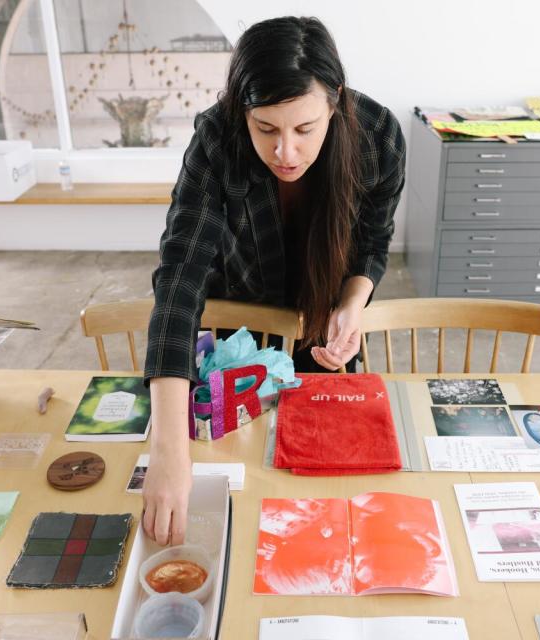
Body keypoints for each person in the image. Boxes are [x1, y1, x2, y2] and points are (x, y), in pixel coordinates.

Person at [142, 16, 405, 545]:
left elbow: (374, 243)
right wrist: (168, 450)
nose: (286, 152)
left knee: (317, 510)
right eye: (266, 129)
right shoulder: (217, 138)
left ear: (335, 102)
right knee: (241, 484)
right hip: (240, 331)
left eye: (305, 129)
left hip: (323, 325)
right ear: (243, 111)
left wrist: (352, 305)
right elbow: (181, 278)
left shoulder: (377, 136)